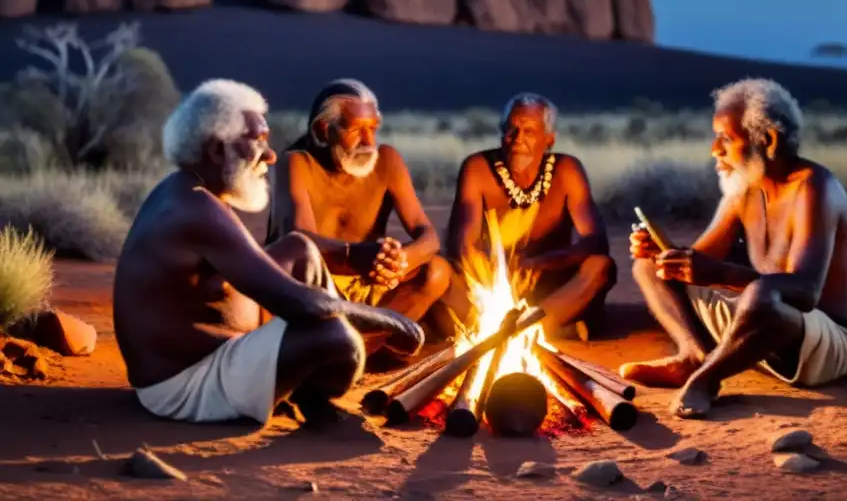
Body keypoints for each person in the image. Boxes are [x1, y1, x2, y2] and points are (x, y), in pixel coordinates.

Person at [113, 79, 424, 427]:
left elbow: (266, 270)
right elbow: (301, 304)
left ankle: (301, 391)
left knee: (300, 249)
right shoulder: (197, 211)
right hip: (184, 387)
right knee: (336, 338)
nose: (271, 154)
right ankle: (311, 398)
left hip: (200, 362)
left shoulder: (185, 190)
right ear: (217, 150)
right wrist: (393, 322)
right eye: (258, 141)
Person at [622, 78, 847, 418]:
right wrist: (665, 253)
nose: (714, 149)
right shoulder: (744, 190)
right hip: (761, 322)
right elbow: (698, 264)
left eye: (726, 138)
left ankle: (706, 379)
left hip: (826, 344)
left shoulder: (815, 187)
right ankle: (694, 356)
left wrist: (722, 274)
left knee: (761, 293)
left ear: (766, 140)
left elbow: (806, 292)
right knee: (651, 265)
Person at [270, 79, 455, 359]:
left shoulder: (388, 161)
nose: (369, 142)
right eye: (356, 130)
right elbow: (300, 241)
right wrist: (355, 255)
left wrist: (399, 261)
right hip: (319, 284)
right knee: (300, 272)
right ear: (324, 129)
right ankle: (339, 353)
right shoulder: (296, 163)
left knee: (437, 271)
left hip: (370, 282)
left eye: (373, 128)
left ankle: (358, 353)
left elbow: (428, 237)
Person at [446, 93, 616, 341]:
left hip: (551, 288)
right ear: (501, 131)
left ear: (549, 140)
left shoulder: (567, 170)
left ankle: (529, 331)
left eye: (529, 132)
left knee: (601, 266)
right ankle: (547, 331)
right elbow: (462, 246)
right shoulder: (478, 168)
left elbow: (596, 241)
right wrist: (499, 274)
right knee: (438, 272)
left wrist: (540, 263)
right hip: (488, 286)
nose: (517, 140)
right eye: (511, 130)